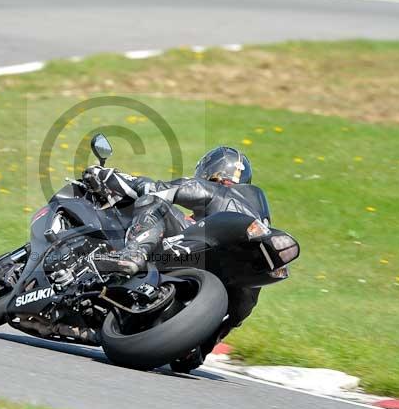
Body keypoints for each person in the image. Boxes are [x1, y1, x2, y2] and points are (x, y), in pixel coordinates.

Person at [82, 146, 271, 372]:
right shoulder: (257, 213)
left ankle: (133, 253)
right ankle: (200, 347)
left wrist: (109, 175)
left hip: (205, 254)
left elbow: (156, 189)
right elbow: (238, 313)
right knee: (231, 318)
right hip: (240, 278)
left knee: (155, 201)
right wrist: (204, 345)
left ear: (209, 171)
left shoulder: (216, 189)